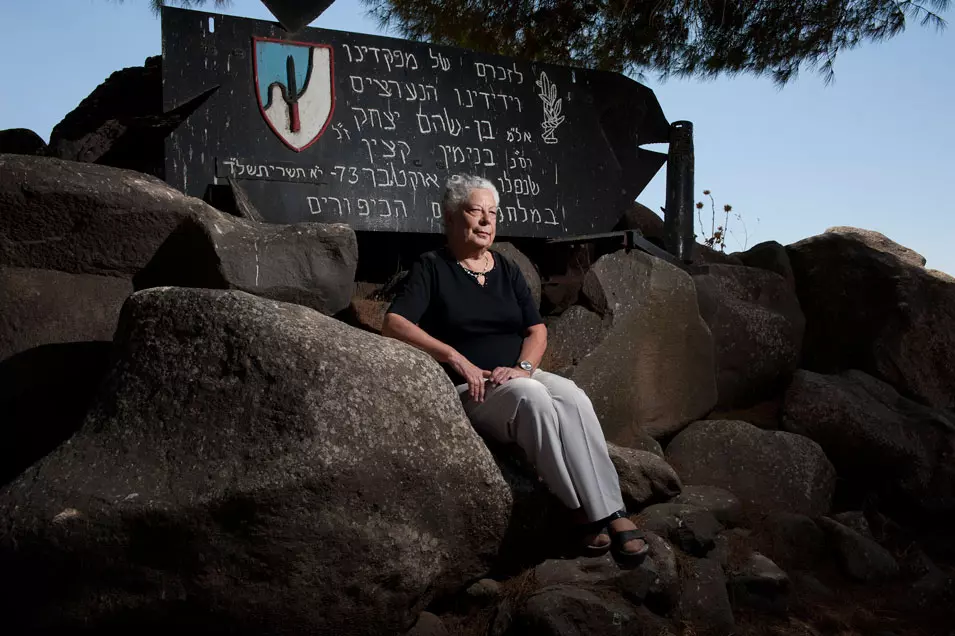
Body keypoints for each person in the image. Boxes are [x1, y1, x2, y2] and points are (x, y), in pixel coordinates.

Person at [382, 174, 648, 563]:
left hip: (517, 376)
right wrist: (455, 358)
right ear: (451, 217)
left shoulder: (505, 268)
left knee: (573, 397)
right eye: (476, 212)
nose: (487, 222)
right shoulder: (432, 267)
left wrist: (524, 367)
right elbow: (395, 324)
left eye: (493, 213)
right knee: (534, 398)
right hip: (473, 387)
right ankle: (575, 508)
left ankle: (613, 511)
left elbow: (537, 330)